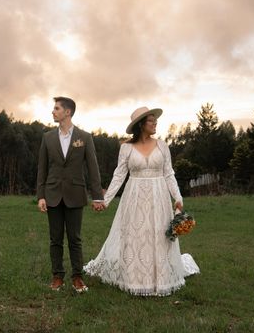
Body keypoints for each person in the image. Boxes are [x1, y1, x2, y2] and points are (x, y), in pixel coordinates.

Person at [84, 106, 199, 296]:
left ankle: (160, 278)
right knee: (135, 234)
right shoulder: (126, 148)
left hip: (159, 196)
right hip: (134, 196)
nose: (155, 123)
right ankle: (134, 278)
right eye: (151, 121)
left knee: (158, 234)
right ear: (141, 125)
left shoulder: (162, 146)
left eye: (155, 120)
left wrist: (178, 197)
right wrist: (105, 200)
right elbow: (119, 175)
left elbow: (169, 173)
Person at [37, 96, 105, 293]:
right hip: (52, 194)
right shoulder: (47, 138)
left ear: (67, 112)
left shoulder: (84, 137)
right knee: (55, 238)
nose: (53, 111)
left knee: (75, 239)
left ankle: (77, 278)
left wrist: (97, 196)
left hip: (75, 194)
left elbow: (93, 169)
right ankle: (57, 277)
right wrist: (41, 195)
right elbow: (42, 169)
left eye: (56, 108)